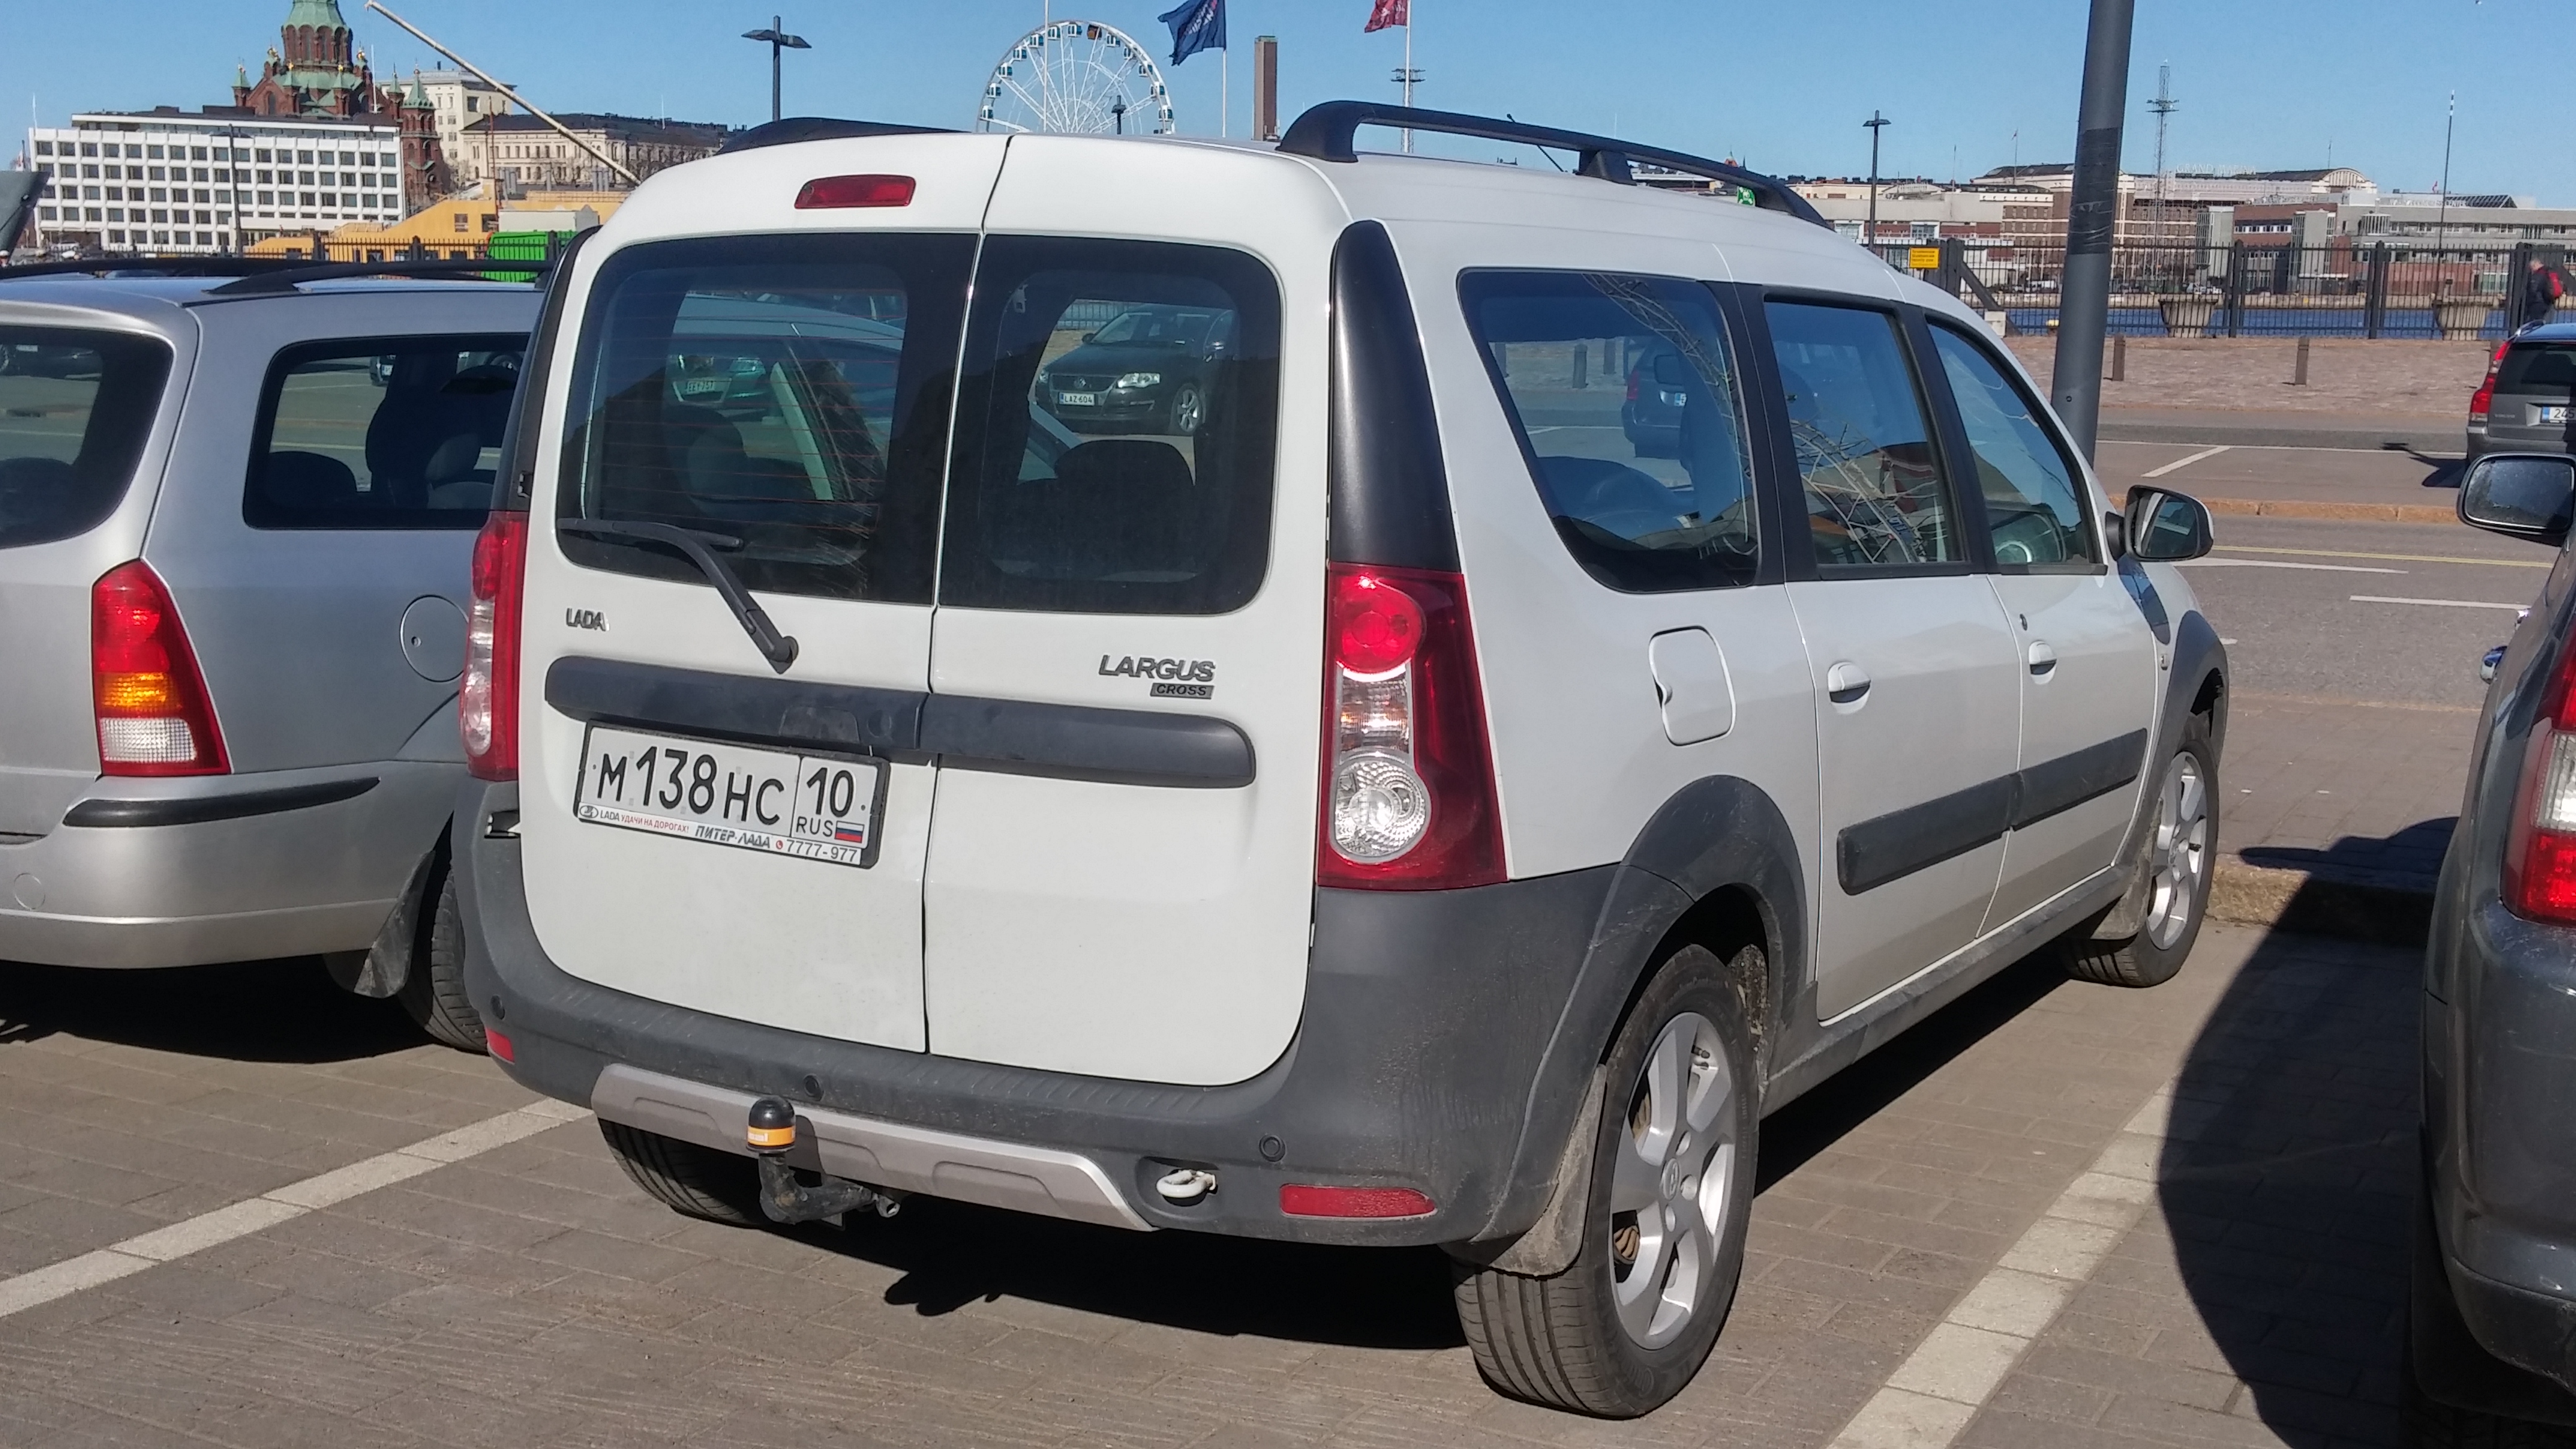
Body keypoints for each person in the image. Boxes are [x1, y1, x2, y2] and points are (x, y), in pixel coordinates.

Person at [2522, 256, 2567, 333]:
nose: (2532, 270)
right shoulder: (2551, 272)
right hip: (2550, 302)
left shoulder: (2539, 274)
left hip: (2538, 303)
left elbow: (2533, 289)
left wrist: (2528, 300)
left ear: (2536, 265)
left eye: (2532, 268)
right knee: (2547, 324)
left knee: (2535, 324)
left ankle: (2535, 338)